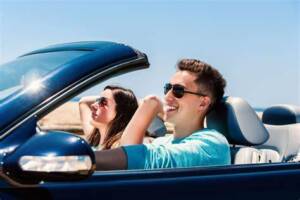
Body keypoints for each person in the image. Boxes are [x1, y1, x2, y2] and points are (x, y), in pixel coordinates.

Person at [95, 59, 231, 170]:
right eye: (167, 88)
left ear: (203, 103)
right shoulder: (163, 141)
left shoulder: (212, 144)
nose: (167, 96)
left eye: (178, 91)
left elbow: (138, 162)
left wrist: (149, 105)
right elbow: (129, 162)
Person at [79, 85, 138, 150]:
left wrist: (128, 100)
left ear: (121, 111)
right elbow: (83, 101)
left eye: (103, 102)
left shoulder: (119, 147)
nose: (93, 105)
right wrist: (106, 97)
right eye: (98, 100)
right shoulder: (94, 139)